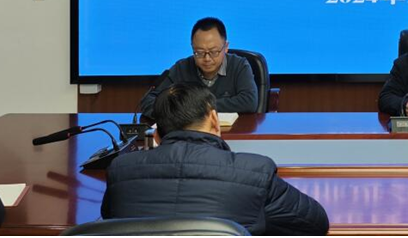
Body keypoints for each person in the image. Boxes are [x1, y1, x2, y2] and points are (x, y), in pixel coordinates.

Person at [104, 82, 329, 236]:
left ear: (156, 135)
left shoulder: (120, 171)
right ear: (214, 119)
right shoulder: (254, 171)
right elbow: (315, 223)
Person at [139, 17, 258, 119]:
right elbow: (148, 101)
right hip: (189, 134)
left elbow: (249, 102)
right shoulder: (182, 68)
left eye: (213, 52)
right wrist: (178, 113)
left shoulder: (239, 65)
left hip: (232, 133)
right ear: (192, 47)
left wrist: (197, 107)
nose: (207, 58)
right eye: (199, 52)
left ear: (226, 47)